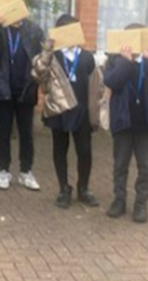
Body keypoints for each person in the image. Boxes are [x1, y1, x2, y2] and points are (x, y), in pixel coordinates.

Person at [104, 24, 148, 224]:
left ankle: (141, 204)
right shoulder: (114, 60)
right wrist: (125, 61)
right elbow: (112, 82)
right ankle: (119, 200)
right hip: (123, 122)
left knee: (146, 167)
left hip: (145, 123)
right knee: (120, 165)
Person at [0, 3, 44, 191]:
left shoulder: (34, 30)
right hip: (3, 88)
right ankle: (3, 171)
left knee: (26, 134)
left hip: (26, 88)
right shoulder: (0, 29)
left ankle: (26, 171)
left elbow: (42, 58)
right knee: (3, 133)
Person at [32, 14, 99, 209]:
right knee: (60, 149)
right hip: (59, 109)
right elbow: (38, 73)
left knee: (84, 150)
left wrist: (95, 111)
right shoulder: (52, 56)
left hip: (82, 109)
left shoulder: (87, 57)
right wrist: (47, 50)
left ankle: (83, 188)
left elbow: (95, 84)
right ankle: (63, 188)